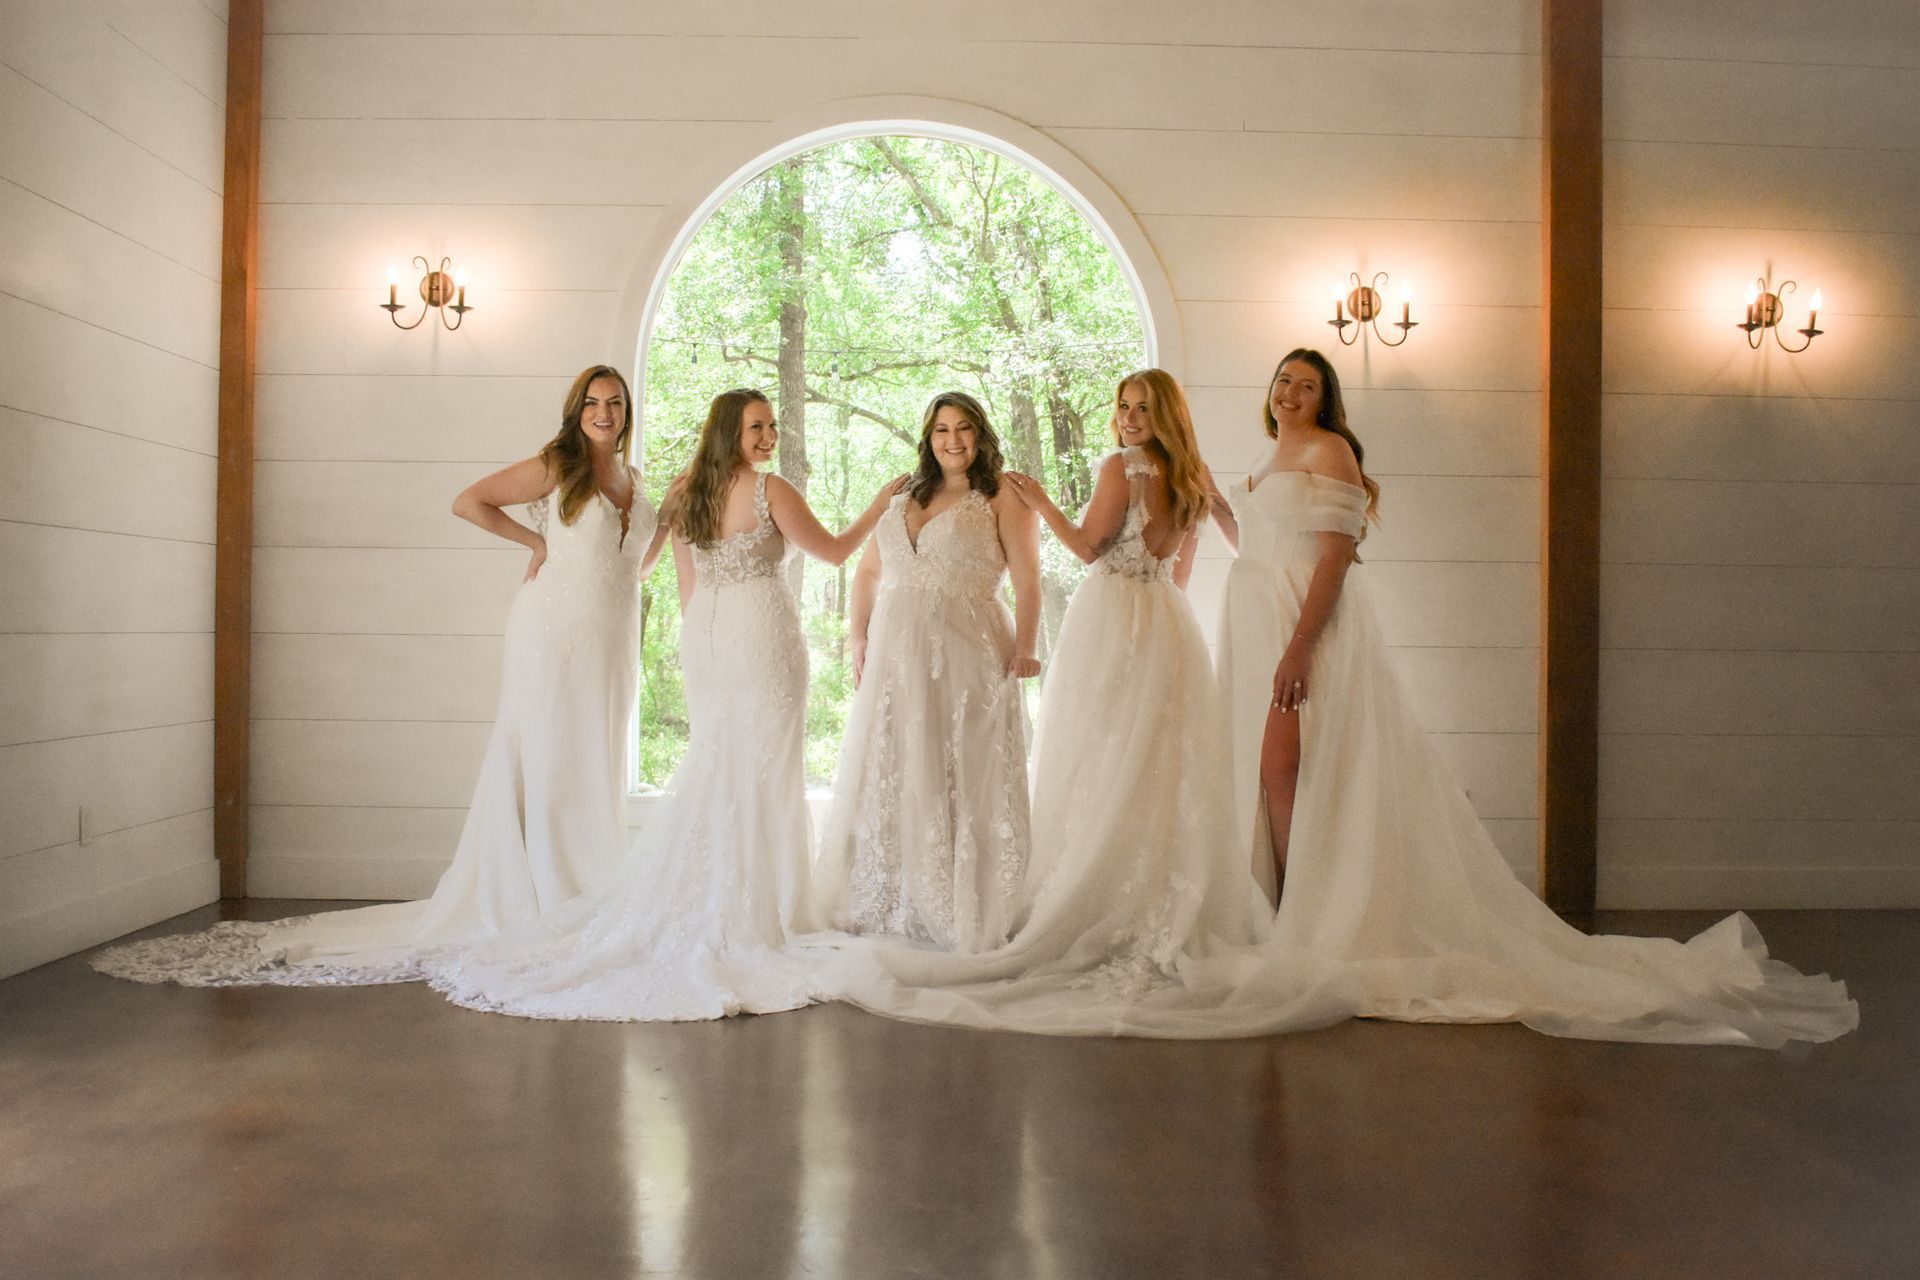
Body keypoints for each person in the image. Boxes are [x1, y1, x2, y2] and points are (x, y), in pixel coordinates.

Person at [1207, 347, 1856, 1047]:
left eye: (1307, 385)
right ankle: (1282, 912)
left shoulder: (1331, 451)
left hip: (1303, 622)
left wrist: (1300, 646)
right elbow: (1259, 542)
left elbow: (1332, 556)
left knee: (1289, 770)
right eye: (1283, 380)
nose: (1291, 392)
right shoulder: (1271, 453)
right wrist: (1215, 506)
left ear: (1326, 399)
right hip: (1256, 614)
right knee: (1273, 772)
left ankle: (1304, 915)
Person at [813, 370, 1353, 1037]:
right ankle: (1155, 898)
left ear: (1163, 413)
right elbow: (1180, 567)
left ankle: (1100, 897)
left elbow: (1091, 548)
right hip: (1164, 618)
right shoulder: (1187, 472)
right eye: (1122, 407)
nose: (1127, 417)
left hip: (1114, 614)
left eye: (1141, 408)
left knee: (1098, 757)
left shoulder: (1122, 466)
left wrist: (1041, 503)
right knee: (1157, 764)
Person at [93, 365, 670, 986]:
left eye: (614, 402)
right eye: (592, 402)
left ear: (627, 410)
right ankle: (548, 893)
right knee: (549, 755)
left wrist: (670, 518)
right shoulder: (557, 465)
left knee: (595, 756)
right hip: (553, 634)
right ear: (576, 411)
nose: (604, 412)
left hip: (611, 643)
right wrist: (535, 543)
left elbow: (634, 568)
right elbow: (468, 500)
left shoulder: (633, 479)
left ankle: (592, 884)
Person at [428, 387, 904, 1020]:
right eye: (757, 426)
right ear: (730, 431)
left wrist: (697, 654)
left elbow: (676, 583)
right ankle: (767, 910)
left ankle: (715, 899)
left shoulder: (687, 493)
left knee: (722, 768)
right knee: (762, 770)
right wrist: (881, 502)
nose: (769, 437)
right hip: (758, 635)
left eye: (772, 426)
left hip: (707, 639)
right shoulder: (770, 491)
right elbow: (838, 551)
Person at [811, 391, 1042, 954]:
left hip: (969, 650)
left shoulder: (1001, 495)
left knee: (960, 763)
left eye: (963, 429)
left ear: (980, 435)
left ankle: (961, 897)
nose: (953, 440)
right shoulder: (901, 495)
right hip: (897, 652)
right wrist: (859, 634)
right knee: (897, 760)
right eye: (941, 430)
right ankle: (893, 895)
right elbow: (867, 572)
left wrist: (1027, 648)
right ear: (928, 437)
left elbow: (1030, 578)